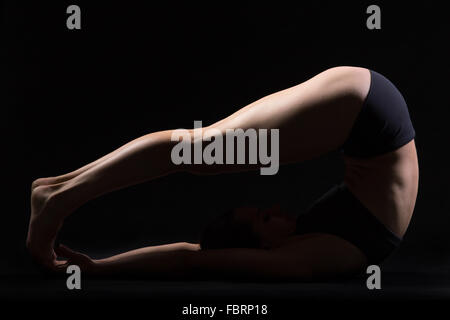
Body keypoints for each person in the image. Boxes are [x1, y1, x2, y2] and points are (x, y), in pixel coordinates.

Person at [27, 66, 418, 281]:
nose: (279, 208)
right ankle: (59, 194)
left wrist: (101, 268)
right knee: (197, 151)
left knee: (197, 151)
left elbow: (192, 258)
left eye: (265, 215)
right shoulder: (312, 255)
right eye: (266, 217)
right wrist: (99, 268)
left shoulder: (297, 252)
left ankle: (59, 193)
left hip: (363, 112)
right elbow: (194, 258)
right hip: (364, 113)